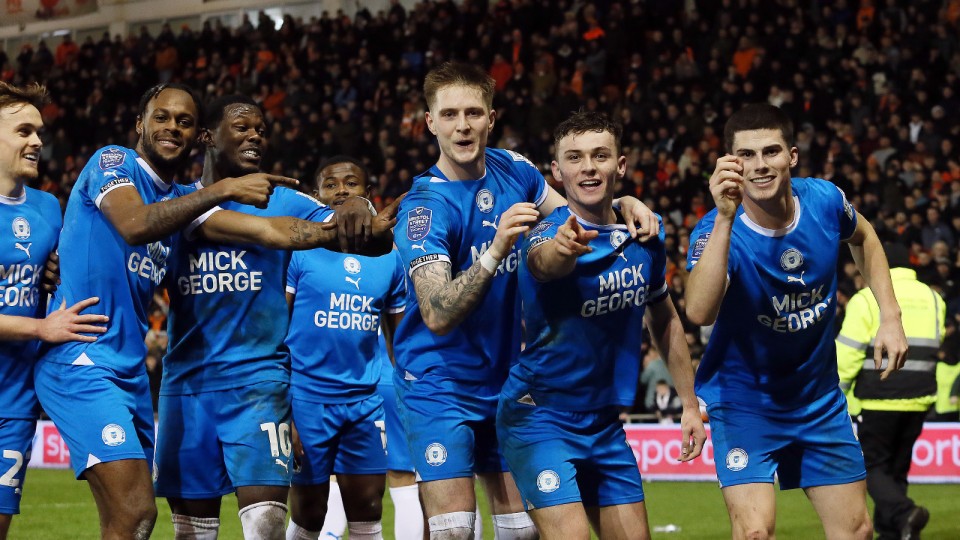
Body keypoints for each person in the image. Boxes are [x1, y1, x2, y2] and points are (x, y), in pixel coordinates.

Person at [34, 83, 386, 539]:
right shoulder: (135, 177)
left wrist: (354, 209)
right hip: (152, 377)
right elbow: (135, 225)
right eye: (161, 117)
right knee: (150, 518)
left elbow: (274, 232)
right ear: (208, 137)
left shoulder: (195, 205)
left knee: (245, 524)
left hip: (228, 381)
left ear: (194, 132)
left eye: (182, 120)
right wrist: (222, 189)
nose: (172, 127)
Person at [392, 61, 658, 540]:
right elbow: (435, 313)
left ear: (491, 119)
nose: (463, 125)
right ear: (429, 123)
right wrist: (495, 252)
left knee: (521, 533)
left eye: (474, 113)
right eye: (449, 115)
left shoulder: (515, 170)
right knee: (454, 530)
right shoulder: (424, 208)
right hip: (439, 382)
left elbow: (577, 217)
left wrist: (624, 204)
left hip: (510, 380)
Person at [154, 95, 394, 539]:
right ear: (208, 137)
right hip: (187, 384)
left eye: (261, 130)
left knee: (266, 524)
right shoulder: (174, 203)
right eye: (243, 127)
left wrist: (359, 208)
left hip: (259, 381)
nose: (255, 136)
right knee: (191, 531)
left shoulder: (284, 200)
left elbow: (352, 227)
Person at [684, 103, 908, 540]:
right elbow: (699, 312)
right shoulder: (715, 229)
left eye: (771, 151)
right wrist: (727, 217)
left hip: (816, 398)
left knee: (859, 530)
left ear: (792, 156)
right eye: (746, 155)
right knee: (754, 532)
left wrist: (891, 315)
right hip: (745, 400)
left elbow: (864, 236)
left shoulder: (824, 200)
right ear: (730, 163)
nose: (760, 165)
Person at [497, 111, 705, 539]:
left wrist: (689, 404)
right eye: (574, 158)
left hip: (605, 422)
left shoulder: (643, 235)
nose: (588, 167)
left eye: (600, 155)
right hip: (539, 416)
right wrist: (564, 250)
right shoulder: (545, 233)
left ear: (620, 165)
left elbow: (664, 318)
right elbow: (543, 263)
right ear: (557, 172)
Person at [0, 82, 108, 539]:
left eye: (40, 131)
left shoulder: (47, 207)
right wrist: (40, 327)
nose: (38, 142)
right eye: (24, 130)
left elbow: (53, 281)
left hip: (14, 402)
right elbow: (43, 321)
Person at [283, 155, 406, 540]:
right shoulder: (298, 250)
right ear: (315, 195)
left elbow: (399, 340)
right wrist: (283, 408)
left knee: (368, 509)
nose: (341, 191)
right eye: (331, 185)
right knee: (309, 512)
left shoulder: (389, 258)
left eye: (351, 183)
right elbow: (275, 332)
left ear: (367, 194)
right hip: (307, 399)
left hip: (365, 401)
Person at [837, 242, 945, 540]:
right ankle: (895, 532)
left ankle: (903, 513)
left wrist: (841, 398)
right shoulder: (934, 298)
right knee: (896, 470)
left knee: (871, 466)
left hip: (879, 397)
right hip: (919, 397)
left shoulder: (867, 298)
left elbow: (847, 355)